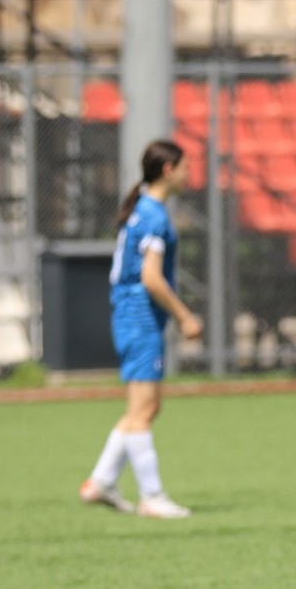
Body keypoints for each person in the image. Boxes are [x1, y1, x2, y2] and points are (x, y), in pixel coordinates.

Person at [78, 140, 203, 520]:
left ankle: (100, 482)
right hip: (140, 319)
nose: (188, 174)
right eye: (184, 167)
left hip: (131, 316)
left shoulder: (142, 209)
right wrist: (185, 315)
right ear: (168, 170)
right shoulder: (153, 216)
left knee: (142, 408)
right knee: (144, 409)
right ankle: (151, 496)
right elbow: (151, 278)